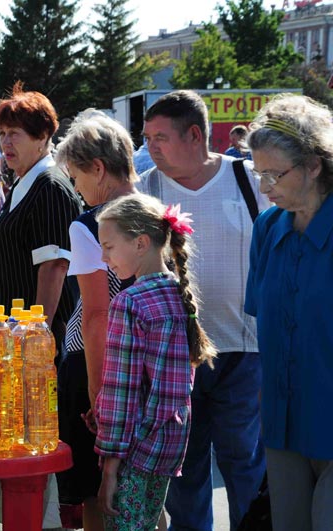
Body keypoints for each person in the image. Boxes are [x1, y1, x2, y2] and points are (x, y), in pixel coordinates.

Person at [139, 89, 269, 531]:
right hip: (176, 359)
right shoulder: (147, 190)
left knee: (244, 467)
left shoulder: (251, 179)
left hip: (244, 351)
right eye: (147, 137)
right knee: (185, 474)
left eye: (160, 137)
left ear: (195, 135)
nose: (150, 147)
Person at [94, 193, 216, 530]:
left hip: (133, 448)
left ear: (141, 243)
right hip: (169, 443)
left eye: (108, 246)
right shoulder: (177, 291)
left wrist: (110, 466)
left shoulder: (129, 302)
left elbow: (123, 390)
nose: (104, 257)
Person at [245, 94, 333, 530]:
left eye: (274, 174)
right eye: (258, 174)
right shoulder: (267, 228)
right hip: (282, 426)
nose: (265, 187)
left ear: (315, 164)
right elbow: (265, 324)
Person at [52, 109, 138, 531]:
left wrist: (98, 396)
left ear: (99, 169)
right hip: (148, 368)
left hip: (97, 364)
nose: (76, 187)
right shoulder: (162, 214)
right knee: (144, 494)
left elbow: (96, 315)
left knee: (96, 499)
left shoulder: (90, 225)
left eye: (77, 176)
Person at [0, 82, 82, 355]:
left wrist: (35, 334)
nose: (5, 142)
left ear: (42, 137)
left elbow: (54, 267)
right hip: (16, 331)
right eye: (2, 133)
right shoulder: (25, 181)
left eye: (14, 134)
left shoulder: (50, 186)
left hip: (37, 342)